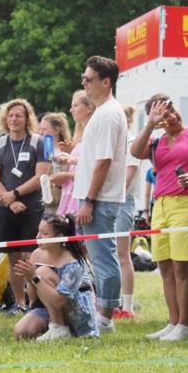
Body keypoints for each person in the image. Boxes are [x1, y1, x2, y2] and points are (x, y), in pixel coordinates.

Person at [131, 96, 188, 341]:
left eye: (171, 110)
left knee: (182, 266)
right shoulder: (155, 140)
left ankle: (183, 324)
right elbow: (135, 151)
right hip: (161, 205)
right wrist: (149, 124)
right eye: (164, 114)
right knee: (165, 266)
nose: (171, 116)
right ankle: (172, 322)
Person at [73, 56, 129, 333]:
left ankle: (106, 317)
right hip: (96, 197)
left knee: (104, 258)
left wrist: (89, 200)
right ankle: (102, 311)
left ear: (105, 82)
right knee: (98, 257)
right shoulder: (103, 112)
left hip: (101, 199)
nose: (84, 83)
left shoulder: (108, 114)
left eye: (88, 79)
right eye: (83, 78)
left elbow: (103, 162)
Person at [0, 98, 52, 314]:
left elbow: (41, 174)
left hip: (32, 206)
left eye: (19, 115)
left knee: (29, 257)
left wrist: (15, 194)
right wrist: (10, 201)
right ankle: (19, 303)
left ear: (27, 119)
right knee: (13, 258)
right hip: (6, 208)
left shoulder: (39, 142)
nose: (14, 119)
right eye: (10, 115)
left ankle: (36, 302)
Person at [12, 214, 100, 340]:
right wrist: (30, 279)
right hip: (48, 306)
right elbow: (33, 297)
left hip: (77, 311)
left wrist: (36, 277)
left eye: (44, 233)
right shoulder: (37, 254)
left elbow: (60, 301)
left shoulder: (73, 262)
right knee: (22, 332)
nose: (37, 237)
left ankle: (60, 329)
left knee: (42, 272)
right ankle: (54, 327)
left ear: (59, 237)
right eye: (39, 231)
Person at [113, 106, 142, 320]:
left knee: (122, 254)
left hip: (123, 203)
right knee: (110, 255)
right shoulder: (113, 143)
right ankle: (112, 303)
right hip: (109, 201)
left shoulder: (131, 144)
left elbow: (127, 179)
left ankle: (128, 307)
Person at [53, 91, 95, 217]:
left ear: (88, 108)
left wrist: (67, 175)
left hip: (83, 195)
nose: (71, 110)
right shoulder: (80, 135)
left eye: (75, 106)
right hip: (71, 193)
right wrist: (68, 152)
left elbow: (95, 167)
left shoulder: (93, 133)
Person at [38, 112, 72, 213]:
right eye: (40, 129)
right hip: (45, 201)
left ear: (56, 130)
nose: (40, 133)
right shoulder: (39, 150)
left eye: (44, 129)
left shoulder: (66, 150)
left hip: (62, 200)